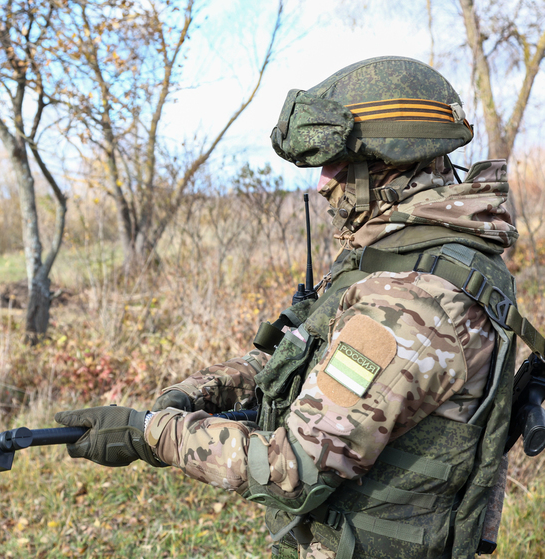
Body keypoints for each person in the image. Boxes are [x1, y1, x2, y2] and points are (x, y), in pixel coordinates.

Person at [55, 56, 527, 559]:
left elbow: (292, 467)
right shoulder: (398, 260)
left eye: (336, 166)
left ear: (389, 164)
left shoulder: (413, 299)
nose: (321, 184)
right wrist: (196, 393)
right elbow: (299, 353)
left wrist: (148, 435)